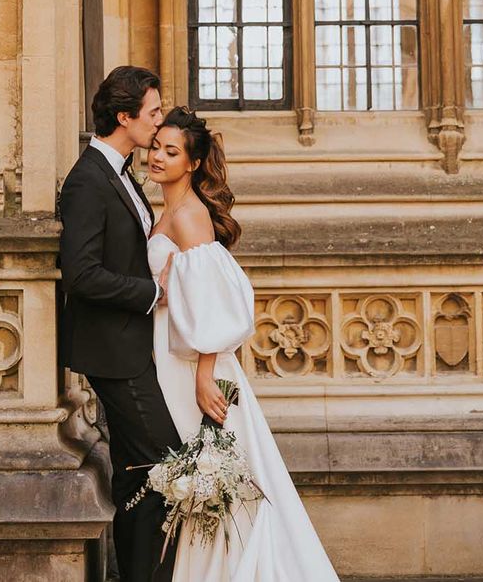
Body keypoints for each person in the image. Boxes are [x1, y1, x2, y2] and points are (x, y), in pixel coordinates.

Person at [146, 107, 340, 581]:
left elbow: (217, 302)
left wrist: (205, 374)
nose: (157, 157)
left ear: (191, 163)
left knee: (216, 471)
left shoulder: (190, 217)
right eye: (155, 146)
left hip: (195, 368)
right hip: (175, 360)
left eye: (171, 152)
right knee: (204, 474)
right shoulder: (168, 210)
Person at [59, 66, 181, 581]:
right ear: (125, 116)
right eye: (152, 112)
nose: (159, 122)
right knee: (166, 463)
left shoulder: (123, 173)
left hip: (132, 348)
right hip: (114, 353)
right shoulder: (88, 179)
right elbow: (82, 274)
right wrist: (153, 293)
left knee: (138, 474)